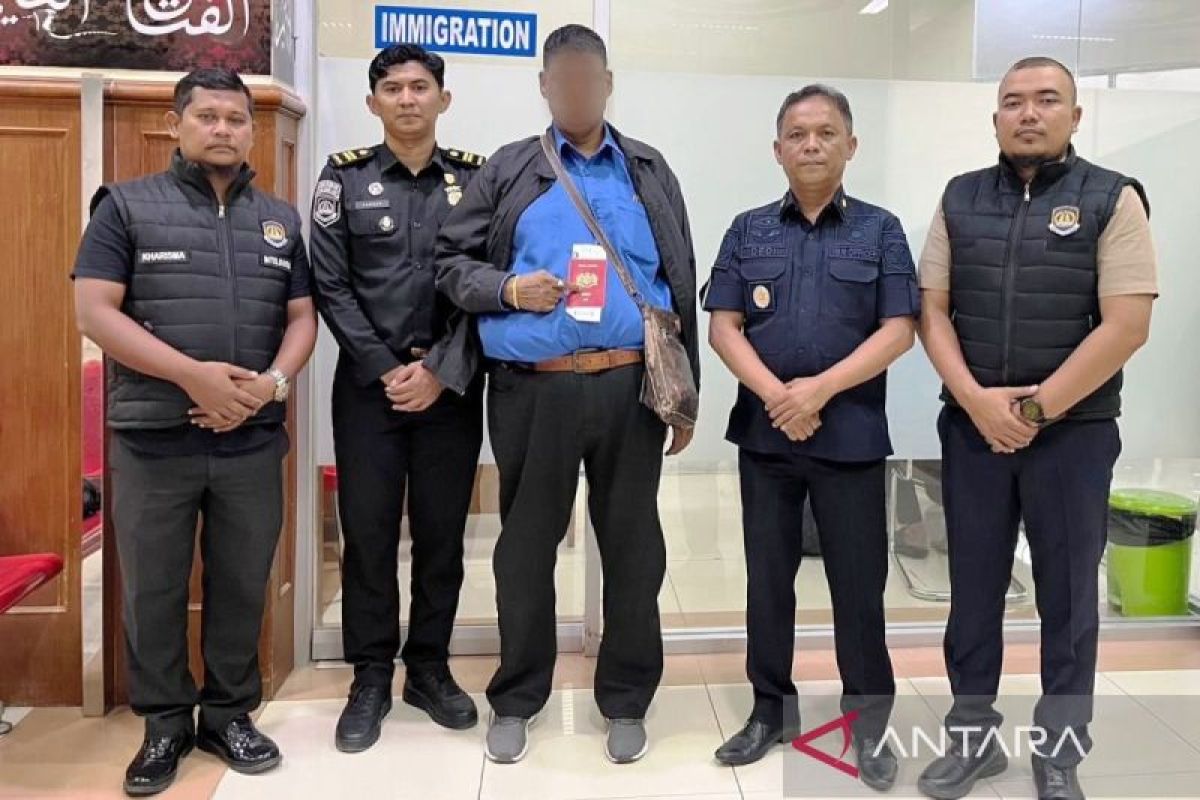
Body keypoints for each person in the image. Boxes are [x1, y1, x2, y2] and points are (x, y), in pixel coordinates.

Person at [435, 23, 698, 765]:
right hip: (532, 391)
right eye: (564, 80)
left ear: (607, 85)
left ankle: (627, 697)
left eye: (590, 79)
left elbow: (678, 278)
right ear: (545, 87)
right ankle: (518, 697)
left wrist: (685, 395)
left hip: (628, 386)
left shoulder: (646, 168)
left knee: (634, 549)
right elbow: (451, 263)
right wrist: (508, 289)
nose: (578, 92)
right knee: (524, 551)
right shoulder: (511, 168)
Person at [916, 57, 1156, 800]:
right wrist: (976, 402)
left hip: (1074, 437)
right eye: (1013, 102)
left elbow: (1127, 324)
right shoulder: (959, 198)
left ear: (1075, 116)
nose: (1029, 113)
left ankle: (1059, 755)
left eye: (1047, 100)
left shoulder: (1112, 198)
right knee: (973, 592)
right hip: (973, 432)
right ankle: (972, 740)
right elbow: (931, 309)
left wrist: (1033, 411)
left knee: (1069, 600)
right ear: (995, 118)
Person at [72, 68, 317, 796]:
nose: (222, 130)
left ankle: (229, 716)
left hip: (251, 437)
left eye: (235, 119)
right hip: (155, 440)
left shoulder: (279, 220)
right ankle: (165, 724)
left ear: (251, 131)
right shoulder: (126, 207)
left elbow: (301, 318)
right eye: (207, 116)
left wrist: (268, 386)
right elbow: (95, 312)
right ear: (176, 125)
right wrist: (194, 377)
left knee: (242, 583)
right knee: (153, 589)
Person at [702, 84, 919, 790]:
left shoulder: (881, 231)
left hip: (850, 437)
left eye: (826, 133)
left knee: (859, 588)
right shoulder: (748, 230)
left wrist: (819, 391)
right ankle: (770, 711)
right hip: (767, 439)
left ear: (851, 145)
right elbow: (723, 326)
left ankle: (868, 724)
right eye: (797, 134)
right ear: (778, 150)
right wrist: (779, 396)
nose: (812, 145)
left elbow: (899, 330)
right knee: (768, 582)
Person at [308, 43, 487, 752]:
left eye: (419, 87)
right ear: (372, 102)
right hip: (368, 393)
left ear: (444, 99)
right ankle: (372, 675)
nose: (407, 98)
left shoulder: (478, 180)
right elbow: (331, 285)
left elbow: (487, 284)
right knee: (369, 536)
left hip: (451, 390)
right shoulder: (342, 177)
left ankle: (430, 668)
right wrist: (387, 368)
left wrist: (440, 369)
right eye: (392, 88)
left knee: (442, 536)